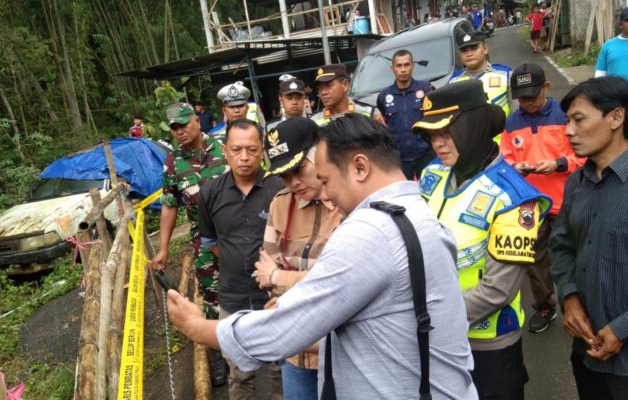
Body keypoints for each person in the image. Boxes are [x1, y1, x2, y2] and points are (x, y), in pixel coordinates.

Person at [167, 113, 478, 399]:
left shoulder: (370, 231)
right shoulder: (417, 211)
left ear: (359, 167)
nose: (325, 194)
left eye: (326, 180)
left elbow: (283, 330)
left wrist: (198, 327)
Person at [414, 80, 552, 399]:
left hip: (487, 345)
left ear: (473, 128)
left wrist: (421, 320)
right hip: (435, 340)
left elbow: (498, 290)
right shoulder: (433, 175)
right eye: (431, 135)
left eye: (446, 132)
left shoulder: (514, 198)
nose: (438, 144)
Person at [550, 76, 628, 400]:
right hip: (586, 356)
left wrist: (623, 328)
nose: (568, 131)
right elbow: (561, 245)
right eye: (567, 121)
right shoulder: (577, 182)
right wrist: (569, 296)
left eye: (579, 120)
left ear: (616, 118)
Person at [254, 117, 344, 400]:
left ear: (319, 152)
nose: (293, 182)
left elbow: (342, 280)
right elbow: (263, 273)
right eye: (284, 175)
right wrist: (279, 280)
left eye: (298, 169)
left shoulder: (348, 201)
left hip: (340, 352)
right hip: (295, 355)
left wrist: (280, 278)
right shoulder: (281, 204)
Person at [198, 118, 284, 399]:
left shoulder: (279, 188)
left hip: (275, 296)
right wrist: (237, 262)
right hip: (232, 295)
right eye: (236, 149)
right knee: (239, 373)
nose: (244, 157)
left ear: (263, 151)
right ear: (225, 151)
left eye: (251, 149)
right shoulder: (210, 193)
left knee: (281, 367)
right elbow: (211, 241)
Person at [500, 64, 585, 333]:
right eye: (522, 98)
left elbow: (583, 157)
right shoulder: (511, 123)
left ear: (546, 88)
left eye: (533, 97)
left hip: (565, 201)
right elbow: (505, 159)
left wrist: (560, 163)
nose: (528, 103)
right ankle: (545, 306)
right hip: (530, 204)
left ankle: (585, 306)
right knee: (535, 260)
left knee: (576, 256)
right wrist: (514, 168)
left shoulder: (565, 116)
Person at [149, 103, 229, 386]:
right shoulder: (172, 164)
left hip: (237, 235)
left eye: (183, 124)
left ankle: (258, 347)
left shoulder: (224, 147)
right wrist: (163, 248)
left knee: (252, 288)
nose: (179, 131)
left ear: (197, 120)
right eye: (174, 128)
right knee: (211, 298)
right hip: (205, 241)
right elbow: (170, 205)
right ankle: (218, 355)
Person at [377, 49, 435, 180]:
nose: (403, 70)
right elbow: (383, 125)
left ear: (412, 66)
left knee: (430, 194)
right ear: (392, 68)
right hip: (399, 159)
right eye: (399, 65)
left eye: (406, 65)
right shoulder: (383, 96)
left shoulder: (427, 89)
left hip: (426, 155)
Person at [595, 6, 628, 146]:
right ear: (620, 24)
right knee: (614, 132)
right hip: (615, 99)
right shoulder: (609, 46)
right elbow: (600, 73)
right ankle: (615, 163)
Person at [449, 31, 514, 119]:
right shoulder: (453, 83)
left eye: (474, 48)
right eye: (464, 51)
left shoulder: (505, 74)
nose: (469, 54)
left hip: (504, 132)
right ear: (459, 54)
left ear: (485, 49)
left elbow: (517, 111)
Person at [310, 64, 384, 126]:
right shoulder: (314, 121)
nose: (323, 92)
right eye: (319, 88)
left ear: (345, 85)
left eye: (328, 85)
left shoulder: (370, 113)